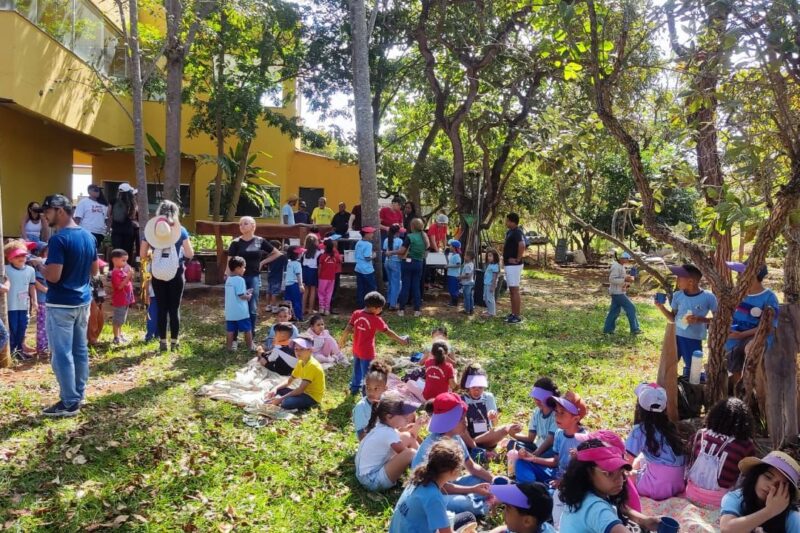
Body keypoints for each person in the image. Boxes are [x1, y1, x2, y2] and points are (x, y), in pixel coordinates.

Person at [35, 194, 99, 417]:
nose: (45, 217)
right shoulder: (89, 237)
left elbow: (54, 276)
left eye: (47, 212)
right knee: (80, 350)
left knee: (62, 354)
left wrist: (39, 265)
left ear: (60, 211)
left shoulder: (58, 240)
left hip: (61, 304)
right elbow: (95, 271)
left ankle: (69, 402)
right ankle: (78, 395)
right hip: (82, 302)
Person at [411, 392, 496, 517]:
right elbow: (440, 486)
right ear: (448, 421)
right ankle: (486, 505)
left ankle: (482, 495)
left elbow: (471, 466)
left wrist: (494, 479)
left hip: (449, 483)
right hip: (430, 493)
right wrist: (471, 489)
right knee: (464, 503)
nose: (465, 422)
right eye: (461, 419)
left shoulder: (456, 437)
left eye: (464, 417)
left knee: (483, 480)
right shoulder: (437, 448)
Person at [559, 439, 662, 533]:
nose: (619, 479)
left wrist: (644, 520)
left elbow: (620, 507)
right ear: (588, 472)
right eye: (609, 473)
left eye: (621, 472)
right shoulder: (596, 508)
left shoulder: (586, 495)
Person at [390, 438, 478, 533]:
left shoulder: (418, 478)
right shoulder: (434, 497)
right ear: (453, 471)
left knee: (465, 518)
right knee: (468, 518)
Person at [140, 200, 194, 353]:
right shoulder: (181, 230)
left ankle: (162, 341)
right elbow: (189, 253)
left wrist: (154, 252)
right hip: (176, 273)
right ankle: (174, 342)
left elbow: (143, 254)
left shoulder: (152, 231)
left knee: (162, 308)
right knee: (174, 309)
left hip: (157, 272)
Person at [686, 397, 756, 508]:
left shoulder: (699, 435)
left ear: (714, 415)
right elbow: (748, 477)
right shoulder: (746, 446)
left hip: (691, 495)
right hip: (721, 503)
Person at [724, 261, 780, 393]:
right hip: (735, 336)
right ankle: (738, 391)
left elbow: (769, 327)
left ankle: (753, 390)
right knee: (732, 355)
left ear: (753, 276)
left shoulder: (769, 297)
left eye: (741, 273)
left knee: (749, 349)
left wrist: (742, 335)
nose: (738, 277)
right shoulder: (738, 294)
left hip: (757, 336)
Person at [339, 291, 409, 395]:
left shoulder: (357, 313)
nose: (381, 310)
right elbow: (388, 332)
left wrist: (342, 340)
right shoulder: (376, 319)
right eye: (380, 308)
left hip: (356, 349)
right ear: (374, 308)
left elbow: (348, 328)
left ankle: (354, 387)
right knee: (368, 374)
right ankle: (366, 393)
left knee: (356, 370)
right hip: (367, 352)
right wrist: (401, 340)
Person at [625, 383, 686, 500]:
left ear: (639, 408)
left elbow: (626, 463)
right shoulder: (670, 427)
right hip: (677, 484)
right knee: (641, 459)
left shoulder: (639, 431)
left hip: (656, 488)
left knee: (627, 475)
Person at [654, 264, 718, 377]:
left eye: (680, 278)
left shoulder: (709, 297)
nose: (677, 280)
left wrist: (700, 319)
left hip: (692, 338)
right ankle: (668, 385)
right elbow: (673, 318)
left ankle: (690, 385)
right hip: (674, 335)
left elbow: (719, 320)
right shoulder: (677, 295)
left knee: (693, 369)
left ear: (691, 282)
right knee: (668, 364)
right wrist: (661, 307)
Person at [514, 391, 588, 485]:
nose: (556, 415)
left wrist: (564, 482)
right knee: (521, 462)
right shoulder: (559, 433)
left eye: (562, 413)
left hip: (572, 481)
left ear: (576, 419)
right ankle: (534, 488)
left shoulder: (585, 440)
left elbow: (585, 474)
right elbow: (556, 461)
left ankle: (535, 489)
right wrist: (533, 458)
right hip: (556, 474)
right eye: (556, 411)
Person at [227, 217, 281, 340]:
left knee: (252, 307)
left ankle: (250, 337)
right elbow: (229, 262)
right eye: (240, 224)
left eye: (245, 223)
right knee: (236, 306)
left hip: (253, 277)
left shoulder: (260, 241)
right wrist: (229, 278)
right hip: (237, 278)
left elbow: (277, 253)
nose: (242, 226)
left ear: (253, 226)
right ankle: (234, 338)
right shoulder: (236, 242)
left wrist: (262, 262)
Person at [719, 451, 800, 532]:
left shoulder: (792, 518)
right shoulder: (736, 498)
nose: (771, 486)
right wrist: (770, 511)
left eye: (779, 485)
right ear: (756, 475)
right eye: (768, 477)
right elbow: (727, 530)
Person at [355, 392, 420, 491]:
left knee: (407, 436)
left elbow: (409, 437)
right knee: (411, 453)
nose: (408, 417)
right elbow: (405, 453)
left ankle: (426, 463)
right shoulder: (388, 433)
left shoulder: (383, 426)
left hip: (365, 475)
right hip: (372, 480)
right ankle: (424, 474)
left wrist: (415, 427)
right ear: (389, 416)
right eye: (404, 415)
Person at [460, 363, 522, 455]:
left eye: (480, 387)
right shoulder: (461, 400)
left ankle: (481, 448)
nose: (477, 390)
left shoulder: (488, 397)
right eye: (473, 387)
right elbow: (461, 429)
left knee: (506, 428)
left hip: (486, 437)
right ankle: (476, 448)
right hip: (468, 438)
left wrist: (493, 417)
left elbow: (495, 424)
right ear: (468, 386)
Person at [266, 336, 325, 410]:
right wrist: (275, 388)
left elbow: (300, 389)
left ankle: (284, 400)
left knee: (286, 403)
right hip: (303, 392)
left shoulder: (312, 365)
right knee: (276, 390)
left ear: (310, 350)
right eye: (296, 349)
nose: (297, 352)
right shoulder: (300, 362)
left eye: (302, 349)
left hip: (312, 397)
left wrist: (280, 399)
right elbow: (289, 381)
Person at [508, 377, 560, 456]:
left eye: (540, 398)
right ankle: (531, 457)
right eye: (535, 398)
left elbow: (550, 440)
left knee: (550, 454)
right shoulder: (536, 412)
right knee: (512, 444)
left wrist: (535, 455)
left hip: (551, 449)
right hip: (537, 447)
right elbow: (530, 438)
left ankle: (534, 459)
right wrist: (513, 434)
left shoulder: (556, 414)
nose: (537, 401)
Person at [5, 242, 36, 359]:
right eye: (17, 256)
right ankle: (11, 352)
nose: (21, 258)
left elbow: (32, 286)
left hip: (24, 305)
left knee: (22, 327)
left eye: (23, 255)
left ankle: (19, 351)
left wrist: (34, 301)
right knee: (12, 329)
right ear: (9, 258)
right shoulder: (5, 270)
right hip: (10, 306)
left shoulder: (30, 270)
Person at [393, 218, 430, 317]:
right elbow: (426, 251)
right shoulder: (424, 237)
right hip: (419, 263)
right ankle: (417, 310)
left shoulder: (410, 237)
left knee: (405, 286)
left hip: (407, 263)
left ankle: (401, 309)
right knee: (416, 286)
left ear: (412, 226)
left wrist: (391, 252)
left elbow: (402, 251)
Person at [487, 482, 556, 533]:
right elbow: (504, 529)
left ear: (527, 521)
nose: (504, 512)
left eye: (508, 509)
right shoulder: (537, 525)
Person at [603, 251, 640, 335]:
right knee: (631, 308)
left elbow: (620, 278)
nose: (628, 261)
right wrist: (625, 279)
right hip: (617, 293)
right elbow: (612, 279)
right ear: (621, 258)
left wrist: (627, 282)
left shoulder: (621, 266)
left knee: (614, 311)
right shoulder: (616, 267)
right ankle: (635, 329)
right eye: (627, 259)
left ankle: (608, 330)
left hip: (618, 291)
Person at [353, 361, 391, 440]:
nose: (371, 392)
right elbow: (361, 436)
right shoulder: (361, 407)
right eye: (368, 387)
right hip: (370, 442)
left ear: (385, 389)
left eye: (376, 388)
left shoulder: (386, 402)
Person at [224, 256, 253, 352]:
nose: (244, 269)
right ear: (237, 268)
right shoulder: (240, 280)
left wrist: (245, 292)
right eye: (243, 267)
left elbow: (235, 293)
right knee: (247, 329)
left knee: (230, 330)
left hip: (230, 311)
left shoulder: (228, 279)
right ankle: (250, 347)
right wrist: (248, 296)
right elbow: (241, 296)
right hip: (241, 312)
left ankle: (229, 348)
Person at [110, 248, 135, 345]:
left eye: (126, 261)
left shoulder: (121, 271)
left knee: (121, 319)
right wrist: (128, 276)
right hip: (120, 300)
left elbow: (127, 282)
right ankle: (116, 337)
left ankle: (120, 335)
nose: (125, 263)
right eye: (123, 260)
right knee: (117, 320)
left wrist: (130, 276)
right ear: (115, 260)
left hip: (125, 300)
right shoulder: (115, 273)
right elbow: (119, 286)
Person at [503, 213, 525, 324]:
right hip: (508, 265)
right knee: (511, 290)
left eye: (507, 220)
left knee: (514, 290)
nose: (506, 222)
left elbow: (522, 245)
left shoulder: (517, 232)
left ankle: (517, 316)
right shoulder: (509, 232)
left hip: (514, 266)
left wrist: (517, 259)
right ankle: (513, 313)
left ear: (512, 221)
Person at [74, 184, 109, 250]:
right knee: (87, 250)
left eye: (99, 190)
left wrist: (108, 230)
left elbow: (106, 218)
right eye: (96, 190)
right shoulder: (83, 202)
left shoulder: (103, 204)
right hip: (87, 231)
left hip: (100, 232)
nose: (98, 192)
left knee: (95, 252)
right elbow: (78, 217)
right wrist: (74, 231)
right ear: (89, 191)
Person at [108, 183, 137, 260]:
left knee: (116, 250)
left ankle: (115, 265)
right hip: (128, 230)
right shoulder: (132, 202)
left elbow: (109, 214)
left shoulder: (113, 201)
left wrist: (110, 225)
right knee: (127, 250)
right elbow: (133, 216)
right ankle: (126, 265)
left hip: (116, 229)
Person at [32, 242, 49, 355]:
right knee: (42, 324)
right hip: (42, 298)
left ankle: (48, 346)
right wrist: (45, 289)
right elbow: (34, 281)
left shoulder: (55, 264)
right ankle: (42, 348)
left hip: (53, 299)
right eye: (47, 251)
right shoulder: (36, 266)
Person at [354, 226, 377, 308]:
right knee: (372, 288)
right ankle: (371, 306)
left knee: (361, 289)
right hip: (367, 270)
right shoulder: (368, 244)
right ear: (366, 234)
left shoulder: (358, 243)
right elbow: (367, 258)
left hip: (358, 268)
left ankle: (360, 306)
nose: (372, 235)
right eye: (371, 233)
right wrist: (374, 255)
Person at [317, 238, 341, 315]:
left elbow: (320, 267)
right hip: (332, 277)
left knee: (321, 292)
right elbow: (338, 264)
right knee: (329, 293)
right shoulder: (335, 256)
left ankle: (321, 308)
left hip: (323, 277)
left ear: (326, 247)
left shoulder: (323, 256)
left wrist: (318, 275)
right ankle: (327, 309)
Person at [383, 224, 404, 310]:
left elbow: (385, 250)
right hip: (396, 262)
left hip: (387, 262)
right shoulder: (400, 241)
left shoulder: (386, 240)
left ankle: (388, 301)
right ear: (398, 232)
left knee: (390, 282)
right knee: (396, 283)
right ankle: (393, 304)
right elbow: (401, 252)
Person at [301, 234, 321, 315]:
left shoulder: (304, 252)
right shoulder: (319, 252)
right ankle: (310, 309)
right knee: (313, 290)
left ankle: (302, 309)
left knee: (305, 290)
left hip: (305, 270)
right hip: (313, 271)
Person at [283, 245, 305, 321]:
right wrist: (301, 285)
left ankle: (289, 316)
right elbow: (298, 274)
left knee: (289, 301)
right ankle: (299, 317)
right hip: (295, 284)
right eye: (300, 253)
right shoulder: (297, 264)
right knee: (297, 301)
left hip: (288, 285)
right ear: (297, 254)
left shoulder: (289, 263)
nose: (301, 254)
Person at [266, 240, 287, 313]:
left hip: (270, 275)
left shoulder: (269, 255)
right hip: (278, 276)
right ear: (278, 247)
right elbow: (285, 265)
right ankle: (274, 307)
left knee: (268, 292)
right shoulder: (282, 256)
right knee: (274, 293)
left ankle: (268, 306)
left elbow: (266, 265)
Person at [482, 250, 500, 318]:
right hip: (486, 284)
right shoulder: (490, 264)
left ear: (495, 257)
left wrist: (493, 286)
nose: (488, 257)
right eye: (488, 256)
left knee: (490, 299)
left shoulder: (495, 266)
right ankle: (489, 310)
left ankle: (492, 313)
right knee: (486, 298)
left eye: (490, 256)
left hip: (490, 285)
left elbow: (495, 277)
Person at [445, 239, 462, 307]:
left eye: (451, 246)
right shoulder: (453, 255)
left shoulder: (457, 256)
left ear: (454, 248)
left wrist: (449, 266)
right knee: (451, 289)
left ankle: (454, 303)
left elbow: (458, 265)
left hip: (454, 275)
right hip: (451, 274)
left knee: (453, 289)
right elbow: (450, 263)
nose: (450, 247)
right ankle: (452, 301)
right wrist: (446, 256)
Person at [461, 251, 475, 315]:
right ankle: (471, 309)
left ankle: (467, 310)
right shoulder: (471, 264)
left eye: (465, 256)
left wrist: (460, 277)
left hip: (467, 283)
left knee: (467, 297)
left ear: (469, 257)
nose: (464, 257)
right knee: (470, 297)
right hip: (470, 283)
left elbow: (467, 276)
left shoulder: (468, 266)